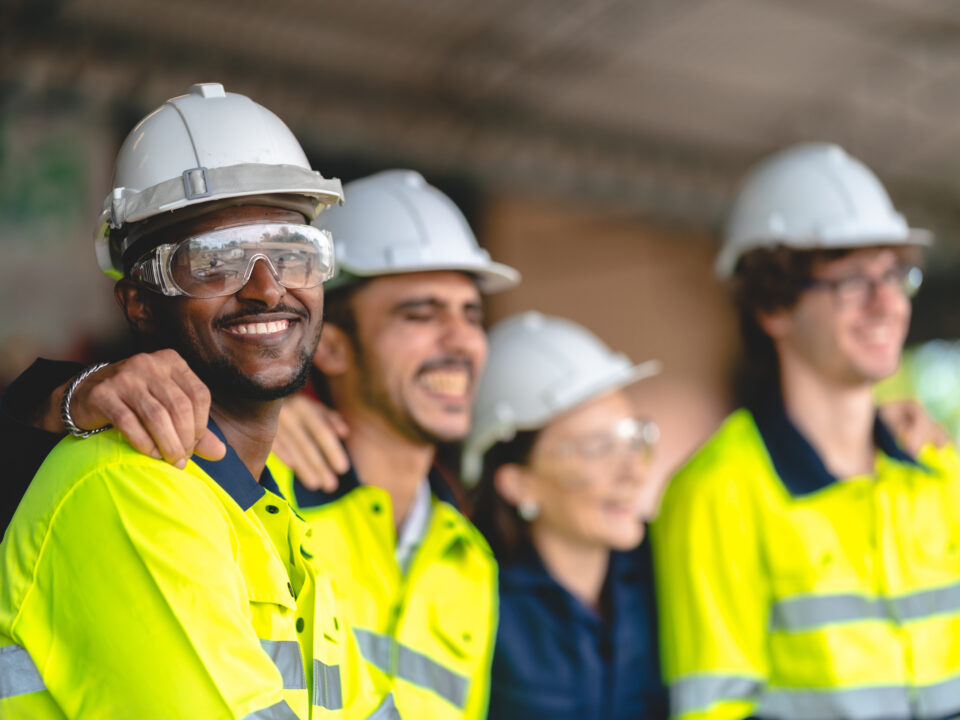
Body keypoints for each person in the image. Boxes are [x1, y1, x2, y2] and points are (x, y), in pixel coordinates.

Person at [1, 169, 519, 719]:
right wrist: (65, 392)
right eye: (419, 313)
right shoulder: (203, 482)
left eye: (472, 315)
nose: (267, 288)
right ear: (333, 348)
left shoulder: (461, 555)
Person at [0, 83, 394, 719]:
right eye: (215, 261)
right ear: (140, 304)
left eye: (292, 254)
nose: (267, 289)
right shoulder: (131, 487)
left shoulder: (272, 516)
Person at [652, 142, 960, 720]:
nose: (885, 303)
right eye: (849, 282)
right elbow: (713, 710)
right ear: (774, 307)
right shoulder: (718, 491)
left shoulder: (937, 470)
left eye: (894, 275)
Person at [464, 311, 668, 720]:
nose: (634, 470)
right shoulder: (473, 600)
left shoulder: (666, 568)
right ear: (518, 484)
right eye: (596, 448)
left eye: (632, 439)